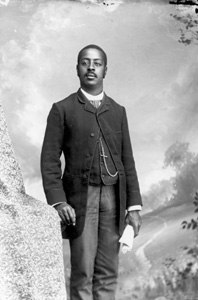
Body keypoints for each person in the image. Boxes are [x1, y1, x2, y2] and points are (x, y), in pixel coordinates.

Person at [41, 44, 142, 300]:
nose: (91, 68)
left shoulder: (118, 111)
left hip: (114, 199)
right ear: (77, 69)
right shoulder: (62, 109)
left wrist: (134, 208)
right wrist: (59, 201)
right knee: (83, 272)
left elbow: (128, 161)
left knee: (108, 272)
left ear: (105, 70)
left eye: (97, 63)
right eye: (85, 62)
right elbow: (49, 159)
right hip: (80, 201)